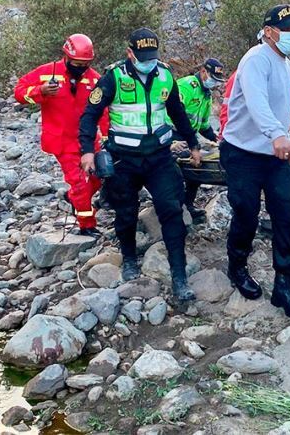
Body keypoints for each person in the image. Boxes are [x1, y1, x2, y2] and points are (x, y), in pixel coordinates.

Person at [79, 28, 202, 301]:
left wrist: (193, 144)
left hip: (159, 157)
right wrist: (87, 151)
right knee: (126, 213)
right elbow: (89, 115)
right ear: (129, 54)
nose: (149, 62)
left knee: (172, 210)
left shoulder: (165, 75)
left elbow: (177, 113)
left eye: (153, 57)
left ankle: (179, 277)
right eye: (143, 57)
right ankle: (129, 258)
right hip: (124, 159)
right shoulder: (114, 77)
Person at [220, 4, 290, 319]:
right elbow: (256, 102)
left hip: (275, 154)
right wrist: (278, 134)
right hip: (243, 151)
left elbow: (288, 102)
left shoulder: (284, 63)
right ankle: (238, 266)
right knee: (246, 212)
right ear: (269, 31)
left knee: (286, 214)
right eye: (287, 29)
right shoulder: (256, 59)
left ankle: (284, 283)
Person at [14, 34, 108, 237]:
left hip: (89, 141)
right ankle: (86, 224)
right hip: (61, 141)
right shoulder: (47, 73)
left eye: (86, 64)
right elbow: (19, 92)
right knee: (80, 182)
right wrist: (40, 91)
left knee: (99, 178)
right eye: (77, 63)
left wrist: (108, 137)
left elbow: (103, 111)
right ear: (66, 56)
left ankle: (72, 197)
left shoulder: (94, 79)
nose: (81, 67)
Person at [168, 57, 226, 220]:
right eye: (213, 79)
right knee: (179, 168)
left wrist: (217, 138)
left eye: (217, 80)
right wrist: (171, 140)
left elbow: (203, 125)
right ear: (203, 72)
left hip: (189, 136)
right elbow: (171, 113)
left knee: (196, 166)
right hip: (172, 133)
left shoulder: (206, 95)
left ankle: (188, 205)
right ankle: (176, 209)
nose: (214, 83)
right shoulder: (186, 86)